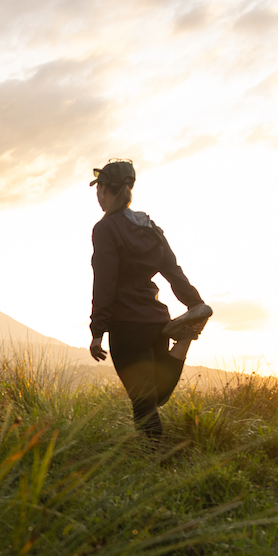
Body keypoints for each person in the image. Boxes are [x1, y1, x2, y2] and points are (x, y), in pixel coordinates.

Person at [87, 159, 212, 441]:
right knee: (156, 396)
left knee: (144, 403)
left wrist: (97, 331)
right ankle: (184, 339)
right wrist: (195, 305)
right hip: (157, 322)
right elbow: (172, 271)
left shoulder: (106, 228)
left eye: (98, 190)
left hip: (127, 326)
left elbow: (105, 281)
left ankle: (153, 459)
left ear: (104, 189)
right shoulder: (150, 227)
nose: (98, 196)